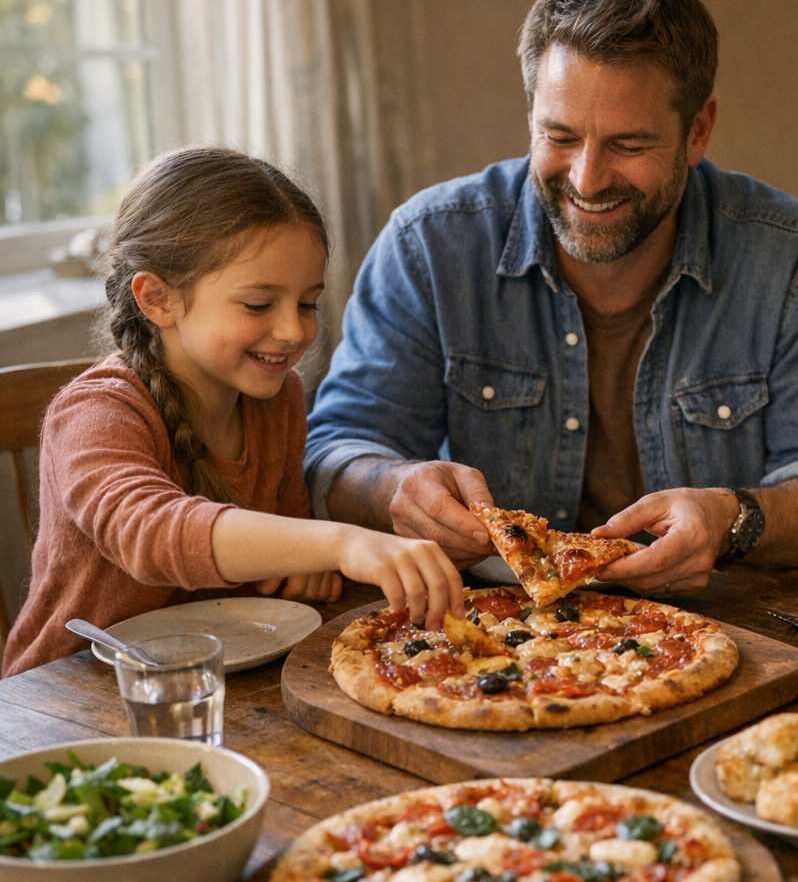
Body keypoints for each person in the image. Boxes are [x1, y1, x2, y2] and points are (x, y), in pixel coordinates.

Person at [304, 0, 798, 594]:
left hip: (730, 624)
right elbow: (337, 451)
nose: (587, 180)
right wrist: (395, 488)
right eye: (559, 136)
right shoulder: (429, 243)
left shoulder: (794, 258)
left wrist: (734, 520)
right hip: (489, 631)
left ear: (697, 130)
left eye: (629, 145)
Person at [2, 146, 462, 678]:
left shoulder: (277, 396)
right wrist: (341, 543)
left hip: (223, 680)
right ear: (158, 299)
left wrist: (300, 566)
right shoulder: (96, 411)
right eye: (259, 305)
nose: (293, 331)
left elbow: (283, 546)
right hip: (72, 697)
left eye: (307, 303)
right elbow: (150, 532)